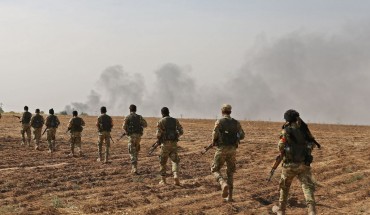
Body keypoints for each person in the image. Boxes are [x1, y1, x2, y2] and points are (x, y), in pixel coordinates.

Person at [272, 109, 317, 215]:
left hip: (289, 165)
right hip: (303, 164)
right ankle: (311, 211)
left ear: (288, 120)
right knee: (307, 187)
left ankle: (281, 210)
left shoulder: (286, 130)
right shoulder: (304, 129)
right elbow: (312, 143)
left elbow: (280, 146)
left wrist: (284, 152)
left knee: (284, 187)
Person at [211, 104, 245, 202]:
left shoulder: (219, 122)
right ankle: (230, 197)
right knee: (230, 173)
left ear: (222, 112)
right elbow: (242, 135)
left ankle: (222, 183)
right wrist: (236, 137)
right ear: (230, 112)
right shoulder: (236, 123)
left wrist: (214, 141)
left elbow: (214, 134)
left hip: (221, 149)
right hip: (232, 150)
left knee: (215, 170)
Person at [156, 107, 183, 185]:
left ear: (162, 113)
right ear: (169, 112)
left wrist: (160, 139)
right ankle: (175, 175)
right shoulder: (175, 120)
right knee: (175, 161)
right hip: (174, 144)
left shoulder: (161, 121)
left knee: (162, 161)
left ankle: (163, 180)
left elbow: (158, 134)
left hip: (165, 144)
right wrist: (176, 135)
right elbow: (181, 131)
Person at [122, 104, 147, 174]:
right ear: (136, 110)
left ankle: (134, 168)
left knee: (132, 152)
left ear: (129, 110)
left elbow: (123, 127)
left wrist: (128, 130)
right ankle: (135, 167)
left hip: (131, 137)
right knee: (136, 151)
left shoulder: (127, 117)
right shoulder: (139, 117)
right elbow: (145, 125)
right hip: (138, 137)